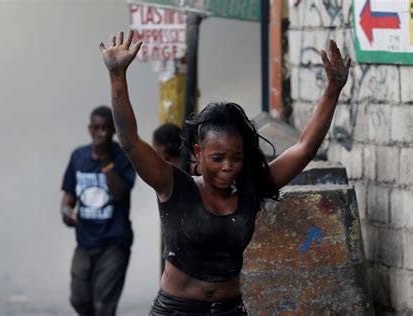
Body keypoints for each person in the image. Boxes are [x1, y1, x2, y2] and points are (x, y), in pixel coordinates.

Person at [99, 31, 350, 315]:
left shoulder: (250, 189)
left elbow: (304, 149)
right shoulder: (172, 185)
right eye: (217, 158)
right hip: (177, 310)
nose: (228, 166)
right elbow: (130, 141)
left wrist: (333, 90)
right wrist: (117, 76)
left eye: (236, 158)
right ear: (198, 152)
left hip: (230, 309)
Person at [60, 105, 136, 316]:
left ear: (113, 131)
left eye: (106, 128)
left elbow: (120, 193)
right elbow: (68, 196)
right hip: (85, 241)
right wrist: (66, 212)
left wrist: (105, 159)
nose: (101, 133)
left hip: (114, 242)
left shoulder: (123, 157)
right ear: (90, 129)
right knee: (79, 299)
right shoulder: (78, 156)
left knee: (103, 305)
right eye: (97, 128)